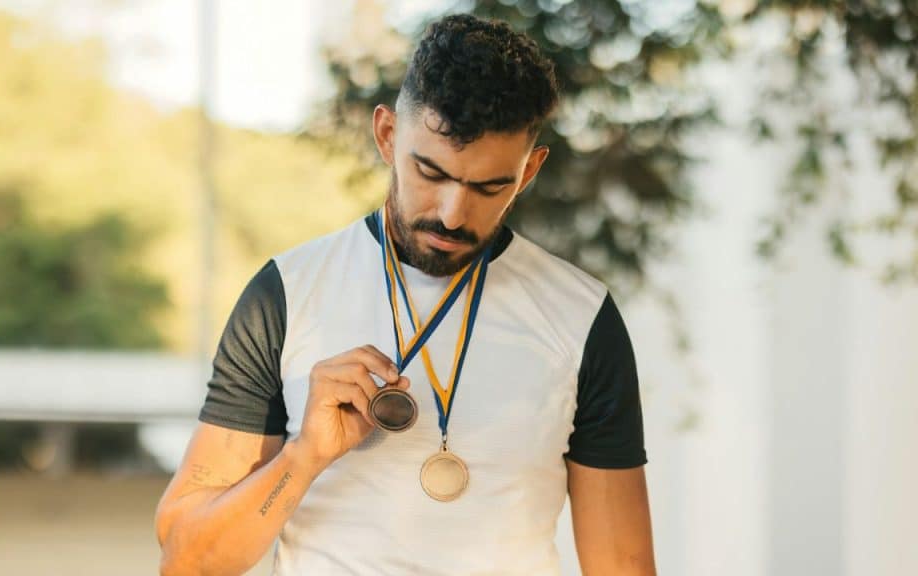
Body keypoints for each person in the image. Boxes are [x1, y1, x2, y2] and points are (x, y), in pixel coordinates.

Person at [155, 13, 655, 576]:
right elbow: (188, 562)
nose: (452, 213)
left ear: (530, 170)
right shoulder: (287, 294)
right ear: (388, 135)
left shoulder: (582, 317)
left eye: (490, 186)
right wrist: (304, 457)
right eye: (430, 173)